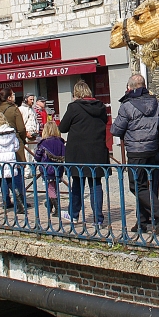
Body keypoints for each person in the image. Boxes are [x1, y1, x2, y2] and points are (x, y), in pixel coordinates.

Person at [110, 74, 159, 235]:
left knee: (137, 186)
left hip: (136, 151)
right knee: (149, 186)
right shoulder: (156, 102)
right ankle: (142, 222)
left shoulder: (127, 105)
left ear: (130, 88)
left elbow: (116, 130)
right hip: (154, 149)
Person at [59, 80, 109, 228]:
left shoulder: (74, 107)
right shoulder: (100, 107)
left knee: (77, 184)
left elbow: (63, 127)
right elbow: (104, 122)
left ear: (76, 94)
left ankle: (74, 214)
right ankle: (98, 219)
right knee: (96, 184)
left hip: (78, 152)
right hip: (97, 151)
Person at [0, 88, 28, 206]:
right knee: (17, 172)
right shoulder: (14, 109)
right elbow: (21, 128)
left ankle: (5, 200)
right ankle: (20, 201)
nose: (14, 96)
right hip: (14, 144)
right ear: (9, 97)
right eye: (13, 94)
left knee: (3, 173)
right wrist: (23, 139)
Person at [34, 121, 66, 217]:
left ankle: (57, 209)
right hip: (58, 168)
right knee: (54, 187)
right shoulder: (60, 142)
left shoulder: (44, 143)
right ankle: (49, 204)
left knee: (51, 189)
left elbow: (37, 157)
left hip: (47, 169)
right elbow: (64, 155)